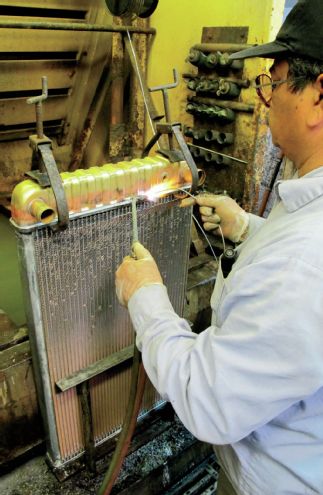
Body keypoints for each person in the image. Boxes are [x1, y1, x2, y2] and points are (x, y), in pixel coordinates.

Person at [115, 1, 323, 493]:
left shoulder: (303, 261)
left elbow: (208, 401)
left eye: (274, 82)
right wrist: (249, 229)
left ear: (318, 96)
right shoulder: (305, 216)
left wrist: (145, 296)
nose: (266, 99)